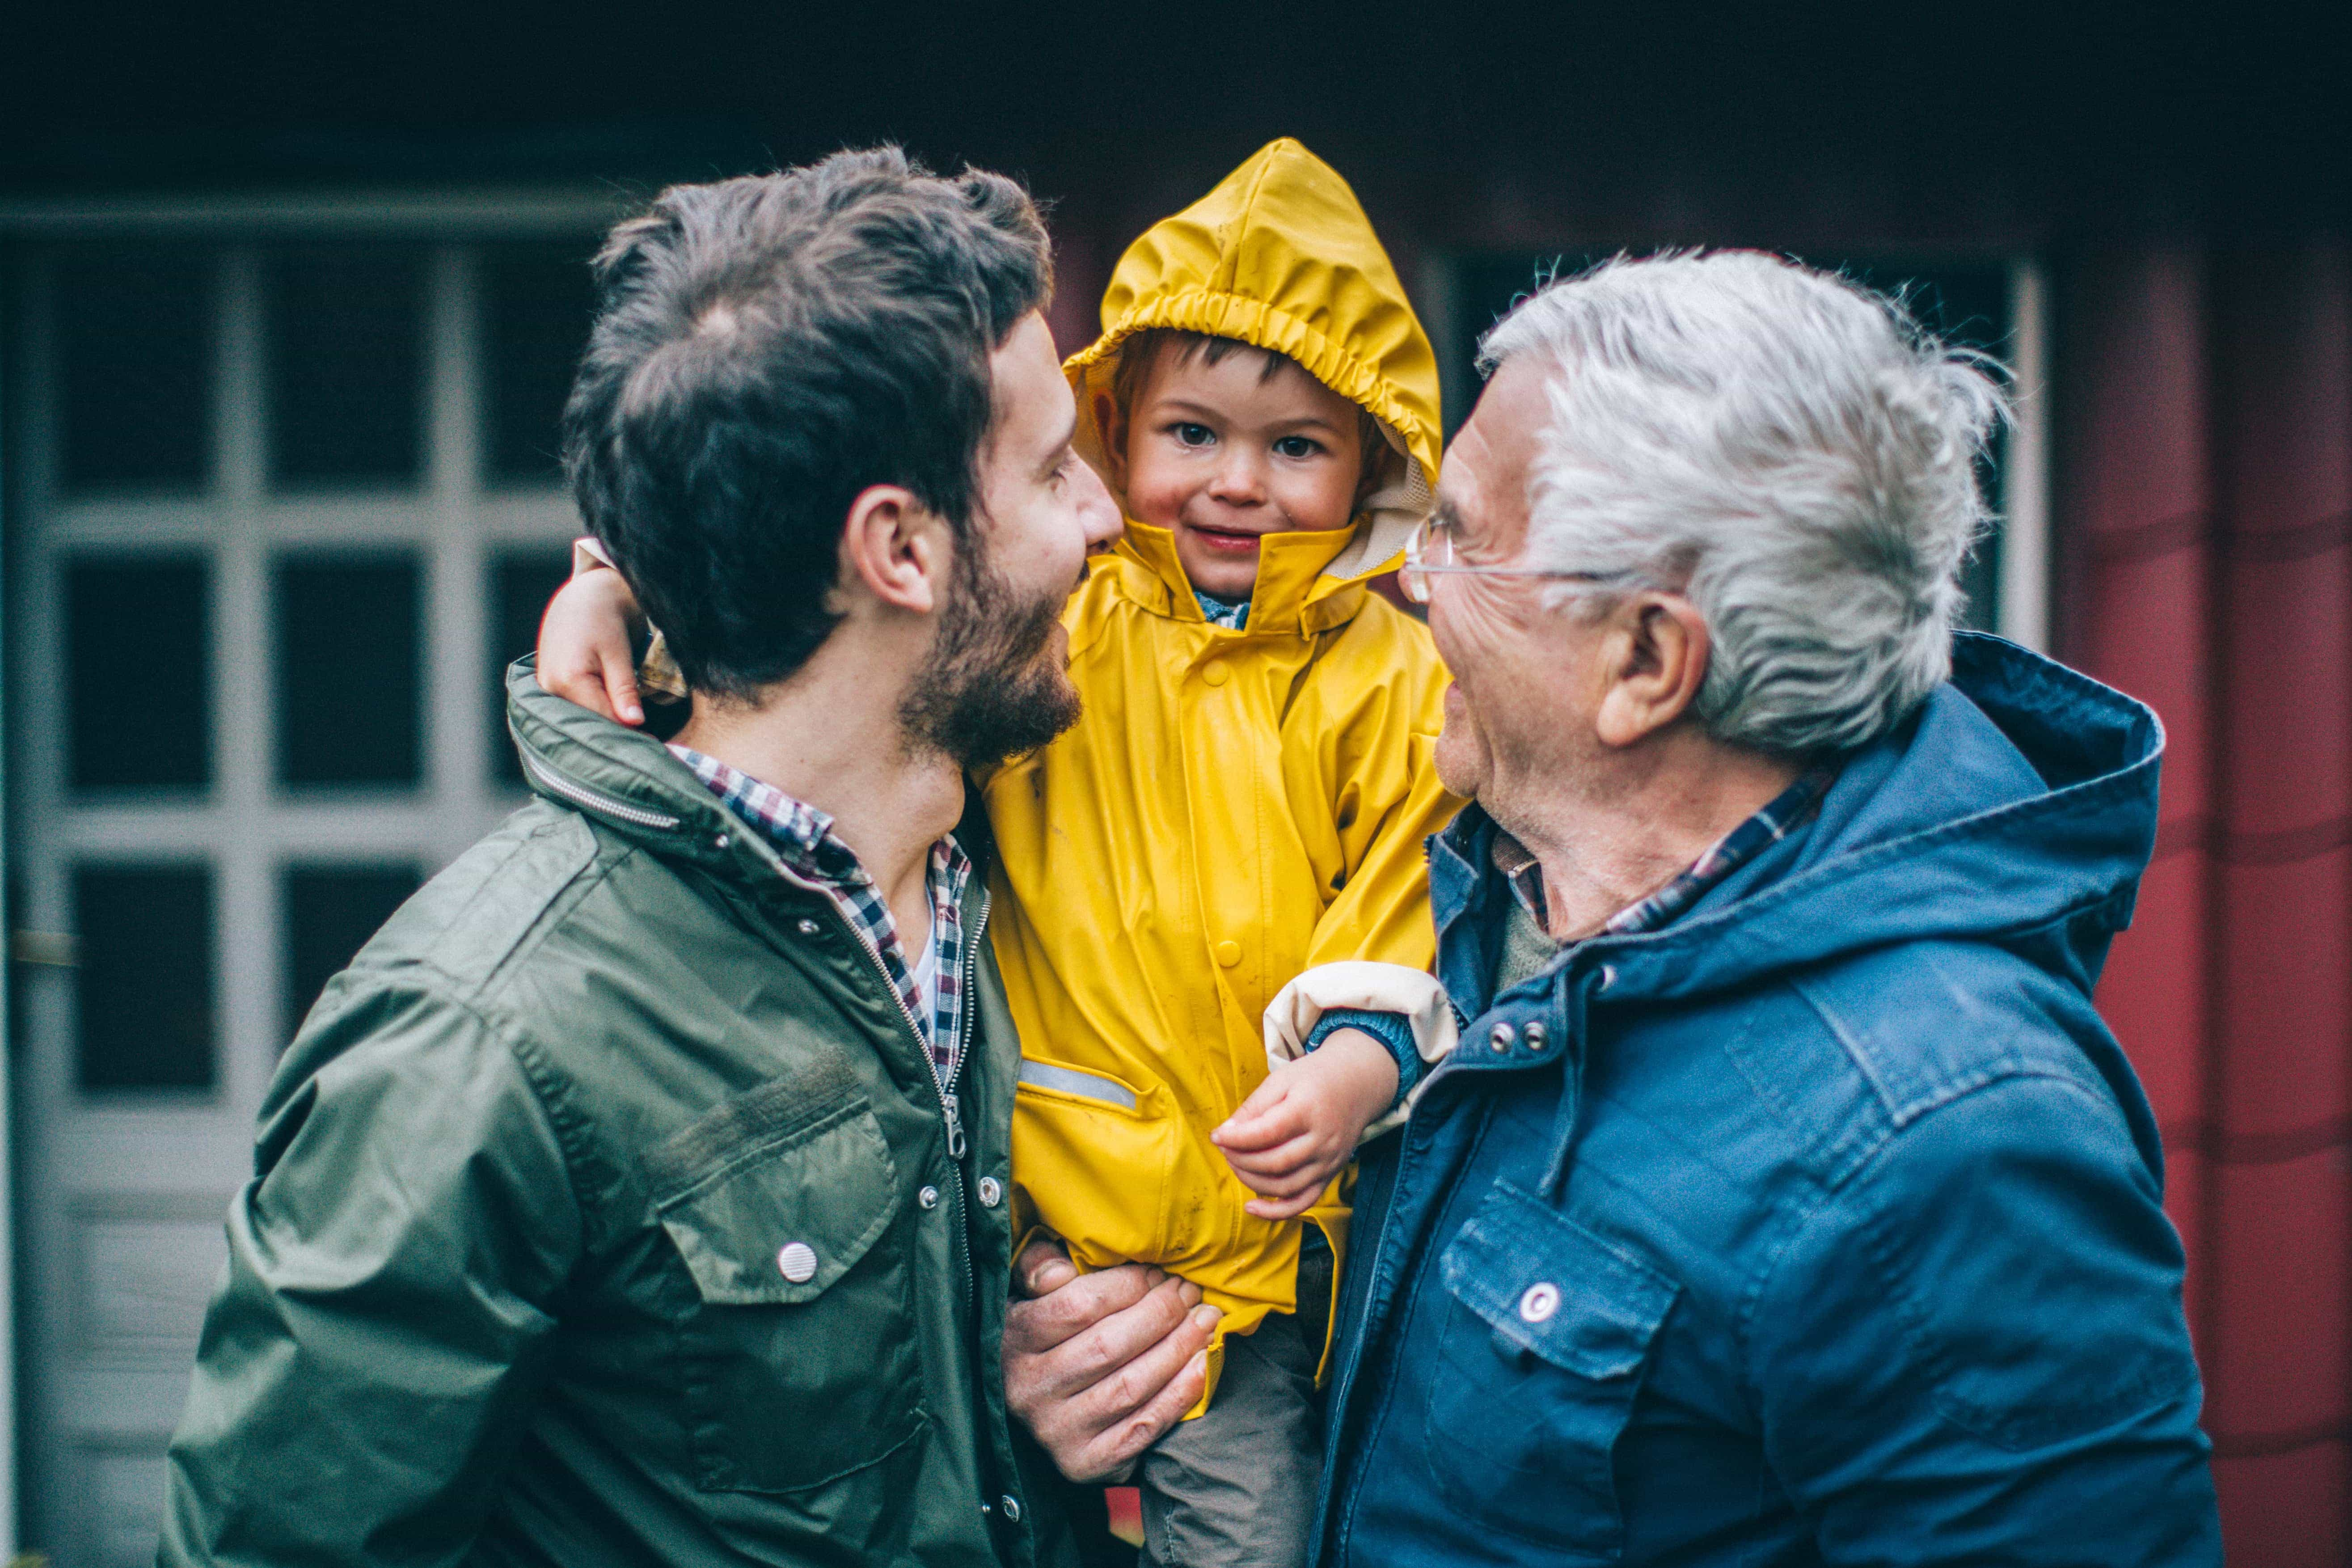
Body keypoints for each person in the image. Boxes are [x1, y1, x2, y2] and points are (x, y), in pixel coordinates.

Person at [1023, 251, 2228, 1564]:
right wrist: (1079, 1354)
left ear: (1645, 661)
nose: (1411, 584)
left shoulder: (1947, 1148)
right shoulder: (1473, 903)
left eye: (1464, 540)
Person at [156, 149, 1220, 1568]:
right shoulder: (474, 1043)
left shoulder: (1007, 868)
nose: (1105, 518)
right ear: (898, 548)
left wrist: (1010, 1406)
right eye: (1048, 470)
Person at [538, 137, 1463, 1568]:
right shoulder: (1059, 624)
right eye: (1190, 434)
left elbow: (1403, 891)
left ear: (1373, 463)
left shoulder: (1386, 681)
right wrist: (622, 590)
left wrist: (1357, 1059)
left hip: (1261, 1247)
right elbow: (811, 622)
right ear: (1117, 435)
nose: (1236, 484)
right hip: (1035, 1205)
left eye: (1296, 447)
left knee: (1265, 1530)